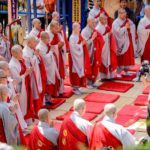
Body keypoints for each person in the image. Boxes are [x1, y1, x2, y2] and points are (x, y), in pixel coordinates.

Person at [9, 45, 34, 121]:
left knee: (27, 103)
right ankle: (23, 121)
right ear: (14, 53)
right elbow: (16, 80)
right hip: (20, 88)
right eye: (20, 52)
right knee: (22, 105)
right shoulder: (12, 65)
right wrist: (26, 73)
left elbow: (24, 70)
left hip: (25, 85)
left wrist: (28, 70)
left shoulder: (19, 60)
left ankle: (27, 119)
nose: (22, 53)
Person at [23, 35, 45, 114]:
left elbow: (37, 61)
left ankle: (38, 108)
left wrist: (36, 56)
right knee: (33, 92)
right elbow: (28, 65)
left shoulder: (32, 49)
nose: (36, 43)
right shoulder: (25, 52)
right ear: (29, 43)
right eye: (34, 42)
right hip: (32, 76)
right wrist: (35, 56)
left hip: (36, 73)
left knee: (37, 90)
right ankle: (35, 110)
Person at [112, 8, 136, 77]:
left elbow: (133, 26)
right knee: (120, 57)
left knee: (127, 57)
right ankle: (118, 72)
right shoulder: (115, 22)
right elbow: (117, 32)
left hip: (127, 41)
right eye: (123, 13)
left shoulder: (127, 20)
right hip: (120, 42)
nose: (125, 15)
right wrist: (125, 27)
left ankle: (126, 71)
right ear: (119, 14)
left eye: (125, 13)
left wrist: (130, 27)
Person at [36, 31, 61, 99]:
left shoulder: (46, 45)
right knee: (47, 83)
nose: (49, 40)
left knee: (53, 81)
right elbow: (45, 59)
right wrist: (51, 52)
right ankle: (47, 98)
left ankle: (50, 97)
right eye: (47, 38)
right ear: (43, 39)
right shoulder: (40, 47)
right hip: (46, 68)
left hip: (51, 67)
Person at [81, 17, 104, 88]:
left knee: (94, 66)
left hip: (94, 52)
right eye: (92, 22)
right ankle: (88, 83)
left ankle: (93, 81)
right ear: (88, 22)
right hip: (88, 53)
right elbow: (84, 44)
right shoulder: (84, 31)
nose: (94, 24)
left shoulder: (94, 30)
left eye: (95, 22)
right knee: (89, 67)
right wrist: (92, 38)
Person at [69, 22, 91, 94]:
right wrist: (82, 44)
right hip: (75, 58)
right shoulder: (72, 37)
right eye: (78, 27)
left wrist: (83, 44)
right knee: (75, 72)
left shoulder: (78, 35)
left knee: (80, 71)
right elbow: (74, 48)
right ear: (74, 28)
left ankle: (78, 87)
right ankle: (75, 88)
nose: (80, 29)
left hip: (80, 57)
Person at [96, 14, 117, 80]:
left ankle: (109, 75)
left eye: (106, 19)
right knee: (103, 59)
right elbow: (98, 39)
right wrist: (107, 35)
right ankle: (103, 76)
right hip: (102, 48)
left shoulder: (106, 26)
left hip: (108, 46)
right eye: (104, 19)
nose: (106, 21)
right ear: (100, 19)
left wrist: (110, 34)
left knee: (109, 59)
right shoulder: (98, 28)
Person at [48, 21, 66, 94]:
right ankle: (55, 92)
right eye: (56, 28)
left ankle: (60, 90)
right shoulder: (48, 35)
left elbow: (62, 44)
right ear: (51, 27)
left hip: (59, 56)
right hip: (53, 59)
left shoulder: (58, 34)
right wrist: (57, 46)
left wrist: (61, 46)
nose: (57, 30)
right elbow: (48, 47)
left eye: (58, 28)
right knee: (54, 74)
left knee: (61, 72)